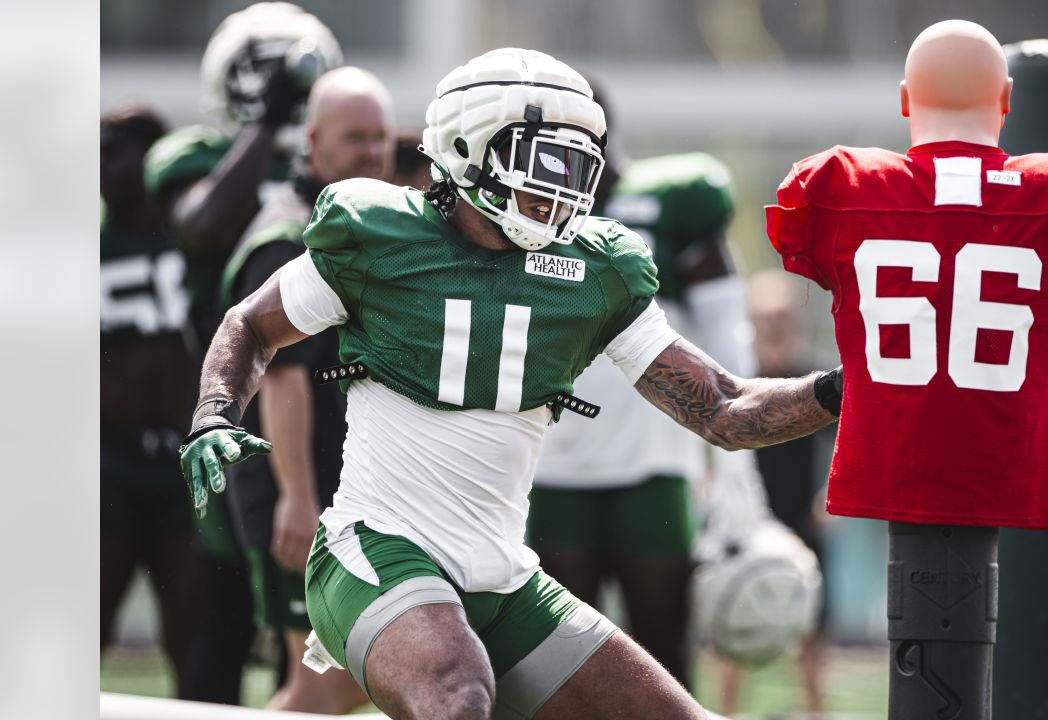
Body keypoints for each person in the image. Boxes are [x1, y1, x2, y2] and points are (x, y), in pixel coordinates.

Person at [177, 48, 841, 720]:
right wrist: (215, 410)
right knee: (459, 695)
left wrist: (846, 390)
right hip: (373, 550)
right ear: (467, 148)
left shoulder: (595, 271)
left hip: (503, 577)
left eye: (577, 165)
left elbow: (724, 409)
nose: (562, 188)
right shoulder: (381, 239)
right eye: (543, 160)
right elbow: (253, 326)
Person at [765, 20, 1048, 718]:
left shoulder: (839, 187)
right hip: (1003, 459)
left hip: (895, 456)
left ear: (906, 101)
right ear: (1005, 103)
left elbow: (802, 233)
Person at [142, 1, 343, 704]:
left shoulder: (326, 163)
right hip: (229, 401)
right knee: (219, 618)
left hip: (315, 398)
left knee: (307, 636)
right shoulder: (199, 157)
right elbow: (200, 223)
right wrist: (267, 121)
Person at [527, 81, 757, 689]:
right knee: (554, 661)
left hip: (653, 462)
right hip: (549, 466)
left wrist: (736, 469)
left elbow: (727, 335)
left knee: (663, 652)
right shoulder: (513, 213)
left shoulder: (670, 204)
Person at [218, 66, 393, 714]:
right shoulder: (292, 240)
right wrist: (297, 498)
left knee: (336, 675)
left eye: (379, 136)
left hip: (339, 493)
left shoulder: (356, 225)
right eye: (355, 138)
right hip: (297, 493)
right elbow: (282, 376)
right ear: (314, 142)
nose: (372, 152)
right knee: (328, 683)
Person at [100, 103, 198, 688]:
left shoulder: (195, 236)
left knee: (192, 640)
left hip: (186, 471)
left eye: (113, 150)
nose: (100, 166)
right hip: (110, 466)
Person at [716, 268, 833, 715]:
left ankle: (815, 711)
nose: (777, 324)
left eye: (784, 315)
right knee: (730, 615)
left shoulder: (814, 378)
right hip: (746, 519)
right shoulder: (736, 379)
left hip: (802, 519)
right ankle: (724, 712)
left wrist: (829, 497)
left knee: (814, 629)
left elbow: (848, 436)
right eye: (768, 316)